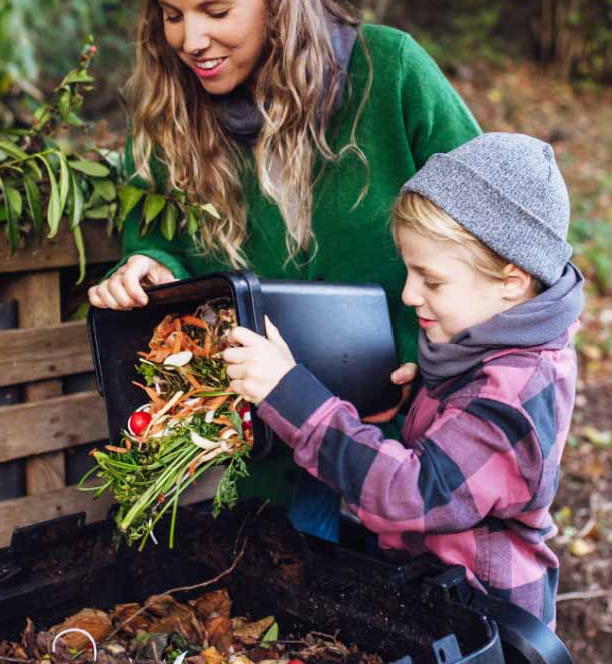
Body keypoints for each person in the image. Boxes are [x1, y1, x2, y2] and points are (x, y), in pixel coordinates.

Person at [85, 0, 482, 538]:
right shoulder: (169, 116)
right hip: (274, 454)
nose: (190, 40)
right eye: (172, 14)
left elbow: (493, 232)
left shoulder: (390, 72)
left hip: (418, 443)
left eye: (216, 10)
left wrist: (436, 358)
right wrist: (149, 263)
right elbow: (159, 237)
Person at [222, 133, 585, 627]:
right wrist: (423, 396)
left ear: (511, 280)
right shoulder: (493, 339)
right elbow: (463, 429)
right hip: (426, 588)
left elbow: (413, 493)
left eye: (431, 280)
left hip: (481, 617)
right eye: (409, 272)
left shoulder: (516, 389)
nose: (411, 294)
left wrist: (290, 396)